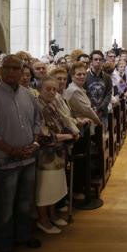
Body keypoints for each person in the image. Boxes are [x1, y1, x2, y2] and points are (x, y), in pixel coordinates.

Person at [0, 55, 42, 252]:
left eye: (17, 68)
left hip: (28, 158)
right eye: (8, 68)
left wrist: (33, 143)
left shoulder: (28, 94)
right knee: (6, 206)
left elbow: (36, 121)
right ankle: (5, 245)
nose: (12, 72)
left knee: (25, 201)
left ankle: (23, 236)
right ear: (2, 69)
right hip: (6, 161)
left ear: (22, 70)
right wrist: (12, 150)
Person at [35, 76, 78, 234]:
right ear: (40, 89)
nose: (52, 92)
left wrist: (70, 132)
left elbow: (60, 123)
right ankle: (43, 220)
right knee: (45, 189)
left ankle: (52, 214)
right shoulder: (37, 106)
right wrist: (68, 136)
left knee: (55, 188)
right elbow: (43, 136)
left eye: (54, 89)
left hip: (58, 153)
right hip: (46, 156)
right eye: (48, 89)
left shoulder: (51, 104)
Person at [65, 62, 102, 127]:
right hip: (82, 127)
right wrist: (99, 122)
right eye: (79, 74)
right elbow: (87, 110)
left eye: (84, 74)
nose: (82, 76)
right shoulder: (74, 90)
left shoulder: (79, 88)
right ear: (72, 76)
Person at [85, 50, 113, 121]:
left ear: (103, 61)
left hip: (103, 112)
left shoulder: (107, 77)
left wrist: (101, 108)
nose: (98, 61)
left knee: (104, 131)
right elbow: (85, 93)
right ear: (91, 61)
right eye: (96, 59)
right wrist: (92, 108)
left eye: (100, 60)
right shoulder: (85, 76)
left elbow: (108, 93)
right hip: (89, 112)